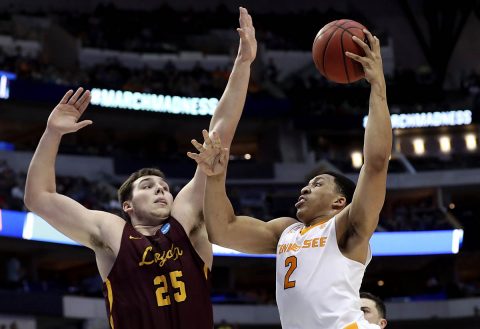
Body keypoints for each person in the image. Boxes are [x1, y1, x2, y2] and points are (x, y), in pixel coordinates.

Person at [23, 7, 257, 329]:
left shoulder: (185, 219)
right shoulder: (113, 233)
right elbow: (38, 198)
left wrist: (243, 64)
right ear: (127, 205)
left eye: (163, 186)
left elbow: (220, 133)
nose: (160, 189)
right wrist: (52, 133)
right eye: (147, 186)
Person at [188, 29, 391, 329]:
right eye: (308, 184)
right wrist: (214, 177)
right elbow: (222, 230)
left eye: (318, 183)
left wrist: (377, 86)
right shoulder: (285, 232)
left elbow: (375, 164)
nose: (306, 187)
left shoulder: (347, 228)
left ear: (339, 201)